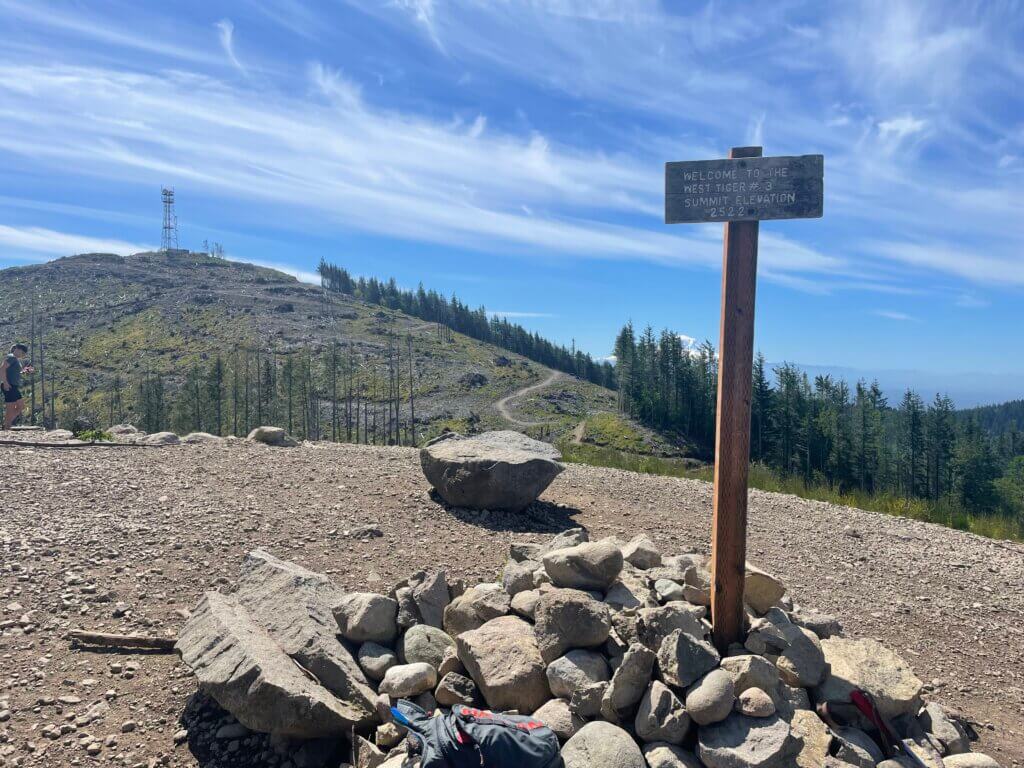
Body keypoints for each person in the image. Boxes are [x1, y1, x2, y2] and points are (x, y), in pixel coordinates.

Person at [2, 344, 34, 430]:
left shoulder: (15, 359)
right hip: (9, 385)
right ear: (17, 349)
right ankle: (6, 426)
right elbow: (2, 369)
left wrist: (25, 371)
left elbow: (13, 372)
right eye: (22, 352)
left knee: (19, 406)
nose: (22, 355)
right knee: (12, 407)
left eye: (24, 354)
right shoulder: (11, 357)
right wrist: (5, 382)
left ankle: (6, 425)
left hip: (13, 385)